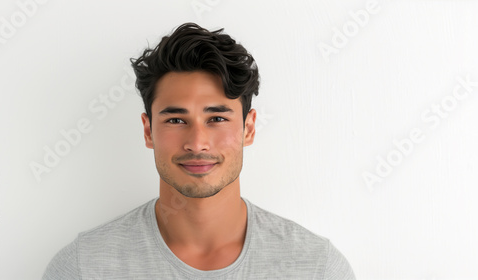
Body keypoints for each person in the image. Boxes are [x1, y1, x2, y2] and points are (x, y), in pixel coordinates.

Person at [42, 22, 356, 279]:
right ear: (149, 130)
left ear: (248, 128)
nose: (197, 142)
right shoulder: (83, 268)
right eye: (176, 119)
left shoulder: (318, 268)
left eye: (217, 118)